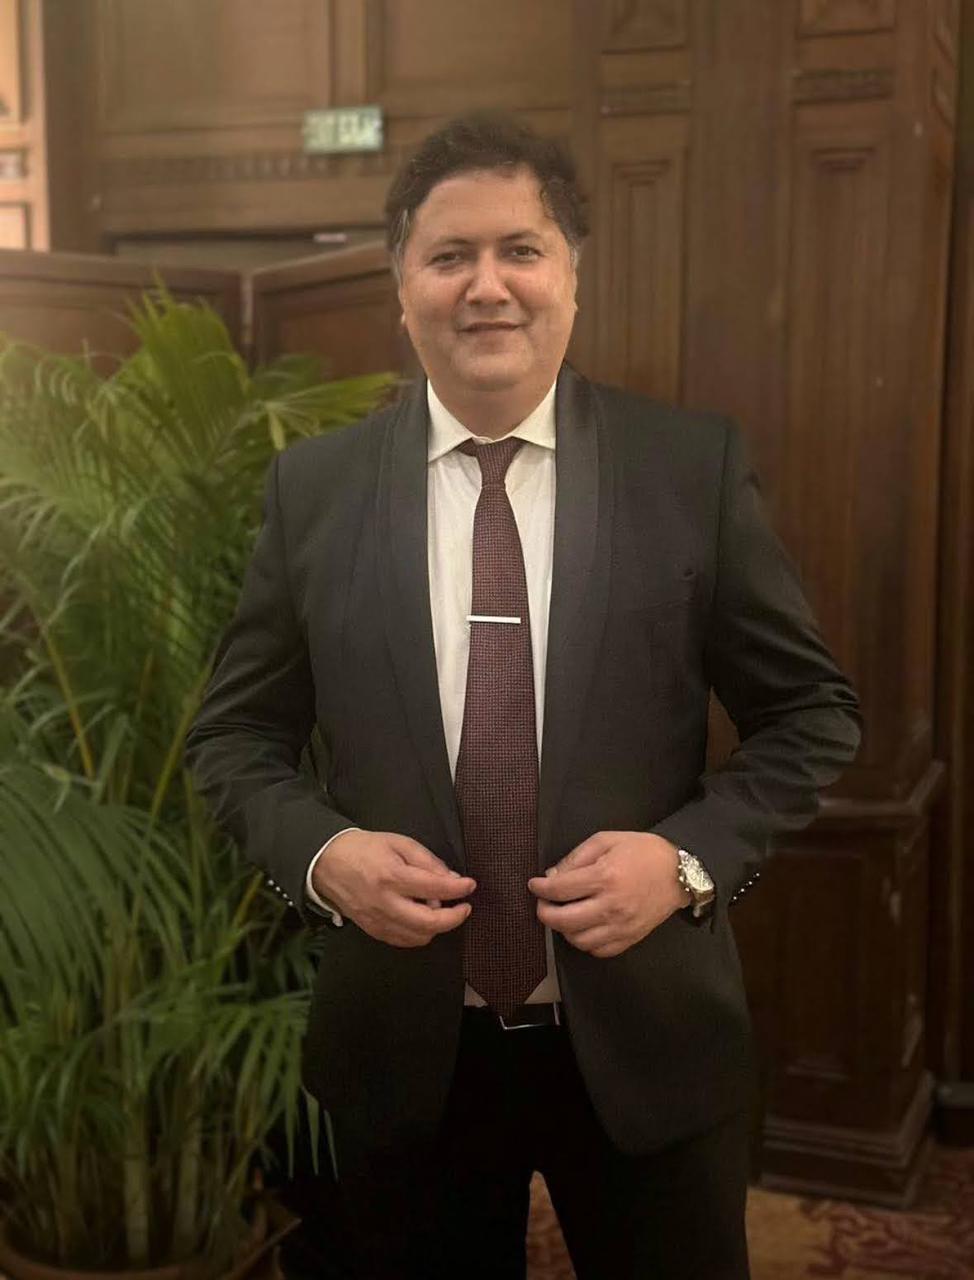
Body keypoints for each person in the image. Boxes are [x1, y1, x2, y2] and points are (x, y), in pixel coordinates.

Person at [186, 112, 860, 1279]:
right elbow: (234, 734)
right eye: (448, 255)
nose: (485, 285)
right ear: (401, 289)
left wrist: (685, 859)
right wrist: (324, 855)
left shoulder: (684, 468)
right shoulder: (315, 490)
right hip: (406, 1048)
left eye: (520, 250)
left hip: (646, 1036)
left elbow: (812, 712)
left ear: (571, 278)